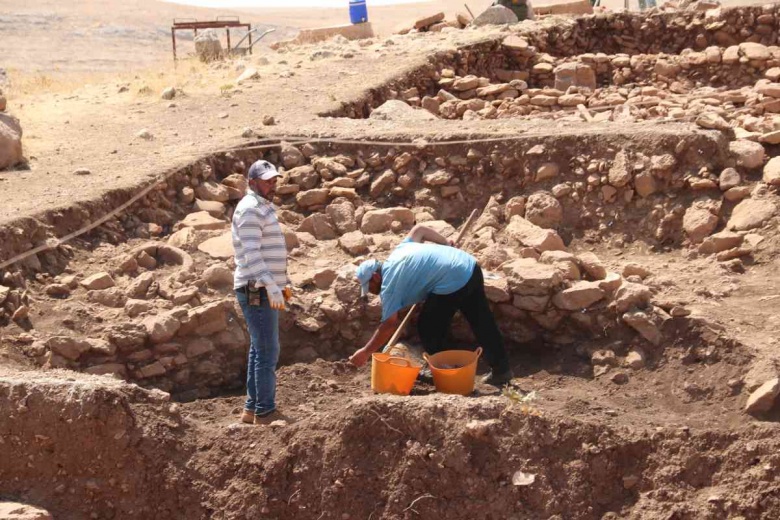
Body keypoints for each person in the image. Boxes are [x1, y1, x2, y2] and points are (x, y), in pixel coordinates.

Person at [348, 224, 513, 386]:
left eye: (369, 287)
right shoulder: (399, 251)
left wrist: (366, 352)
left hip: (453, 279)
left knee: (428, 326)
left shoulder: (389, 285)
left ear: (376, 277)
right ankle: (502, 370)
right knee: (481, 321)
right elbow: (419, 230)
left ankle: (444, 372)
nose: (371, 291)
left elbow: (389, 324)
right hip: (469, 266)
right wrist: (446, 243)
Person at [232, 159, 290, 424]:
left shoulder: (262, 207)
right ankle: (265, 412)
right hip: (256, 288)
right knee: (268, 350)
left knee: (260, 348)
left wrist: (280, 284)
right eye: (267, 181)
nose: (272, 184)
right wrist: (270, 284)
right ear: (252, 182)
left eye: (274, 180)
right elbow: (251, 253)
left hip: (265, 288)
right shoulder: (250, 210)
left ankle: (252, 408)